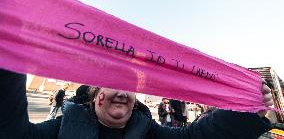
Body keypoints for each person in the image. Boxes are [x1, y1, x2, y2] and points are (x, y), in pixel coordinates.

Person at [0, 69, 273, 139]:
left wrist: (246, 111)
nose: (122, 93)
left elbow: (196, 136)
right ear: (96, 95)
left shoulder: (148, 131)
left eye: (129, 89)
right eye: (113, 85)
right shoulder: (62, 128)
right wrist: (7, 60)